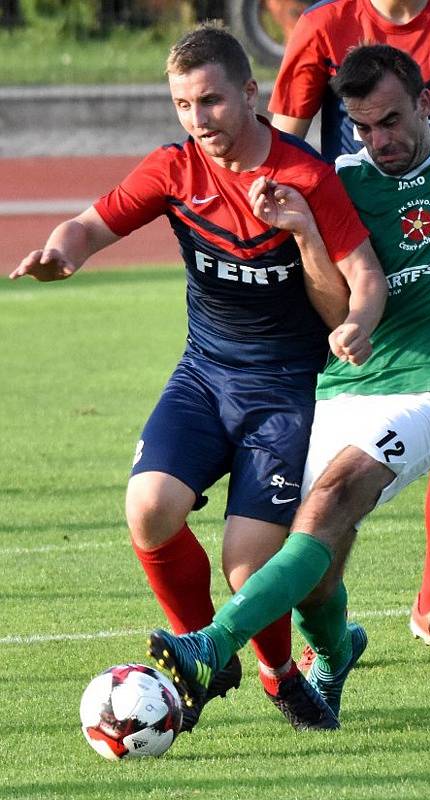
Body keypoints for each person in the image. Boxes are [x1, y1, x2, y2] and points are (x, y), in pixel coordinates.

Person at [146, 44, 430, 724]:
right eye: (362, 126)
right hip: (342, 389)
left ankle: (211, 646)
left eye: (390, 120)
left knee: (331, 497)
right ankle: (334, 653)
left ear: (425, 104)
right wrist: (299, 234)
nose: (378, 140)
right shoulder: (341, 181)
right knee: (311, 561)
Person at [9, 26, 388, 732]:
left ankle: (279, 676)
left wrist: (353, 312)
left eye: (211, 101)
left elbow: (361, 278)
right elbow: (90, 225)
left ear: (250, 93)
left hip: (285, 391)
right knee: (149, 509)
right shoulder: (175, 168)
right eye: (183, 104)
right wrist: (62, 252)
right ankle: (204, 657)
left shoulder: (305, 177)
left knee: (249, 567)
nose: (197, 119)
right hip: (205, 376)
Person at [269, 0, 430, 671]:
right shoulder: (324, 28)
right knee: (319, 470)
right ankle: (324, 635)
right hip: (347, 262)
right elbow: (278, 149)